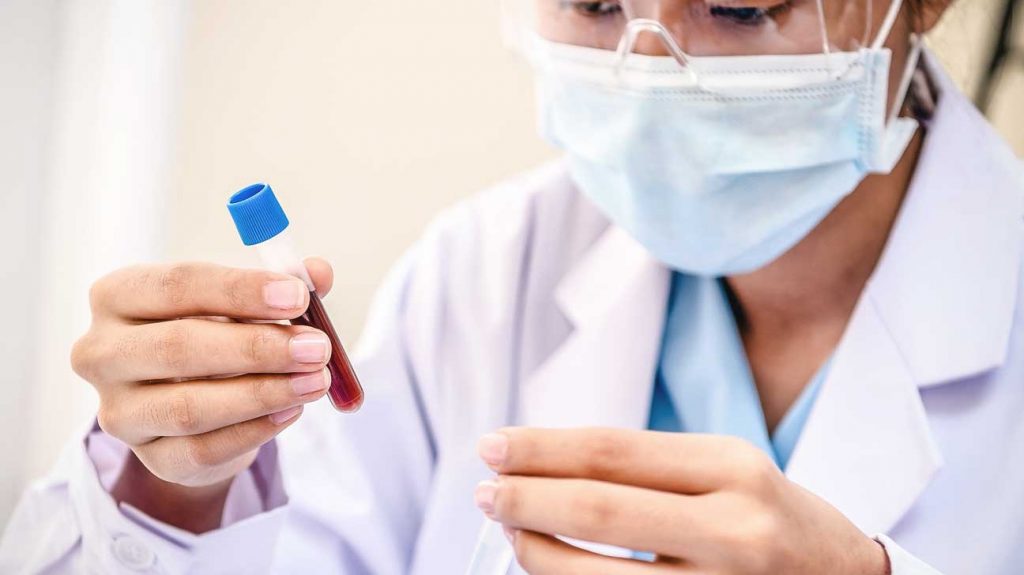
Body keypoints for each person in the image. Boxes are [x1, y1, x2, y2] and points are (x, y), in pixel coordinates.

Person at [2, 0, 1022, 572]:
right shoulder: (483, 273)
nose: (651, 70)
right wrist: (170, 489)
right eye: (595, 2)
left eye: (739, 6)